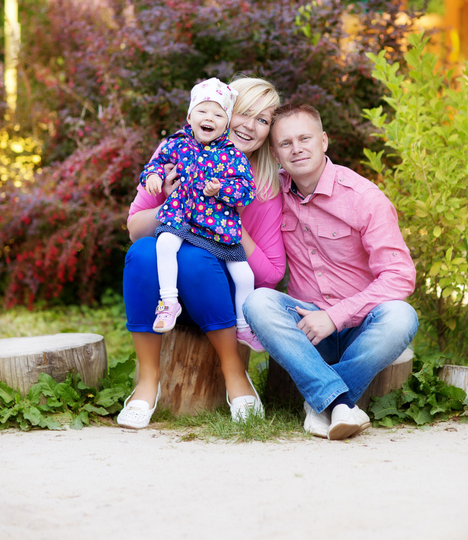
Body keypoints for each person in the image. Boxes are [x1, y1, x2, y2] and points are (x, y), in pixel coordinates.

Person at [243, 103, 419, 441]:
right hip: (307, 328)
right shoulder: (270, 193)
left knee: (401, 317)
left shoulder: (364, 198)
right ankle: (339, 403)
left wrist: (336, 316)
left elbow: (399, 275)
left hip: (361, 326)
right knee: (258, 302)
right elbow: (224, 176)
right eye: (285, 143)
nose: (296, 149)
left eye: (305, 138)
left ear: (323, 141)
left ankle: (322, 401)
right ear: (275, 154)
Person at [118, 76, 286, 429]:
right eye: (244, 112)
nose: (249, 126)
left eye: (262, 120)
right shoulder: (176, 151)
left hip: (221, 295)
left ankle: (234, 372)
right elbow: (134, 228)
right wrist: (173, 199)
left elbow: (271, 274)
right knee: (144, 251)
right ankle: (148, 380)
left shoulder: (264, 186)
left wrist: (227, 219)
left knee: (196, 257)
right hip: (166, 297)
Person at [139, 77, 261, 350]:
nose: (209, 118)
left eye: (218, 115)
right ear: (189, 116)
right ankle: (169, 302)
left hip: (219, 224)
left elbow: (246, 191)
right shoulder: (177, 144)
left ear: (226, 124)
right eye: (202, 111)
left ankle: (244, 327)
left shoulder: (233, 155)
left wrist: (221, 190)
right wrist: (154, 176)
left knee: (245, 276)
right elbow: (155, 164)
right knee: (165, 242)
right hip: (182, 215)